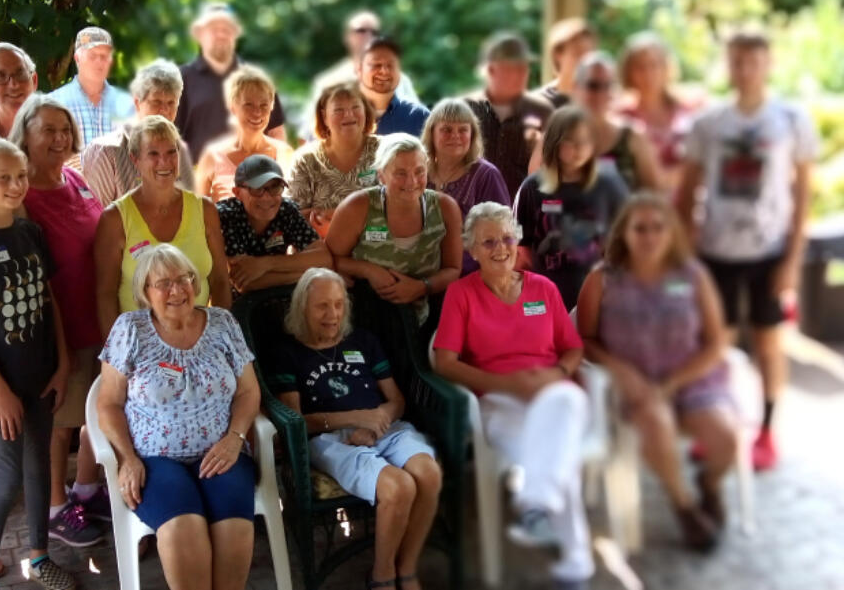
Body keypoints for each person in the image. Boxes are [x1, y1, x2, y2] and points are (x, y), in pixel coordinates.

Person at [676, 30, 818, 471]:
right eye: (737, 61)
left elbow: (804, 195)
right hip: (715, 252)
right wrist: (687, 255)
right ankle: (714, 425)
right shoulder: (709, 123)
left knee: (768, 342)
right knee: (714, 344)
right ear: (728, 65)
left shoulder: (791, 119)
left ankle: (766, 432)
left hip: (769, 251)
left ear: (768, 64)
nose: (745, 70)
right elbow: (686, 193)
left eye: (753, 61)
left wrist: (793, 259)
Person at [432, 202, 593, 590]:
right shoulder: (461, 294)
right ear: (471, 249)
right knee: (560, 455)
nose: (500, 248)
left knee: (566, 406)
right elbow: (444, 362)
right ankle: (575, 560)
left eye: (506, 238)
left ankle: (535, 506)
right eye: (488, 242)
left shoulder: (544, 288)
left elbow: (573, 348)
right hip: (498, 399)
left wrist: (555, 374)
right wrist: (506, 384)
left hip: (554, 394)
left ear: (517, 240)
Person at [0, 140, 78, 590]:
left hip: (41, 376)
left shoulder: (31, 233)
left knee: (39, 464)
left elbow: (50, 302)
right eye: (4, 178)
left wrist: (62, 364)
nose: (16, 185)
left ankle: (40, 556)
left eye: (20, 176)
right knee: (4, 477)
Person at [576, 192, 736, 552]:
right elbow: (582, 338)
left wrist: (674, 383)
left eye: (658, 228)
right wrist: (618, 368)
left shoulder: (692, 276)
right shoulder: (603, 279)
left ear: (672, 233)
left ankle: (709, 484)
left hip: (691, 378)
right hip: (634, 384)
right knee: (656, 422)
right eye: (640, 228)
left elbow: (715, 343)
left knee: (725, 437)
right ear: (624, 234)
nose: (649, 236)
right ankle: (686, 507)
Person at [96, 244, 262, 590]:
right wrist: (127, 458)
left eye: (185, 278)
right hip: (155, 460)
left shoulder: (223, 323)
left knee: (234, 527)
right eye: (164, 283)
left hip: (222, 453)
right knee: (184, 527)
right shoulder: (130, 329)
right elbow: (108, 403)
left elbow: (249, 392)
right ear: (145, 291)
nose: (177, 289)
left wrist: (235, 439)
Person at [272, 269, 440, 590]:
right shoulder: (288, 352)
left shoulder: (363, 341)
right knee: (398, 487)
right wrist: (357, 418)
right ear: (302, 307)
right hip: (330, 440)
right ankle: (382, 575)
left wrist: (374, 425)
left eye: (338, 304)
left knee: (429, 474)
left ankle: (406, 567)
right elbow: (295, 420)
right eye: (322, 306)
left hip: (384, 427)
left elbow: (396, 401)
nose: (332, 314)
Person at [8, 95, 107, 546]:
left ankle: (85, 489)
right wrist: (56, 346)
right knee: (60, 420)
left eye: (64, 130)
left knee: (97, 411)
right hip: (56, 328)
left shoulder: (76, 179)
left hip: (96, 315)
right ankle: (53, 506)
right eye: (48, 129)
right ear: (24, 135)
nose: (59, 138)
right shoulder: (20, 195)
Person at [93, 116, 232, 338]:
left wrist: (219, 336)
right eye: (153, 154)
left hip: (198, 338)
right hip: (139, 345)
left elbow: (220, 280)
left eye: (171, 152)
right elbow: (105, 295)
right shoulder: (115, 218)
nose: (164, 162)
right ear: (135, 159)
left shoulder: (204, 209)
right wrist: (117, 354)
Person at [326, 134, 463, 329]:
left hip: (419, 321)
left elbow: (453, 269)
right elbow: (328, 260)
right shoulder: (357, 207)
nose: (411, 181)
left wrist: (421, 288)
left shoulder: (445, 207)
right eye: (400, 173)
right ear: (381, 175)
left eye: (419, 172)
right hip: (362, 320)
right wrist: (367, 270)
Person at [513, 106, 629, 311]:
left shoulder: (609, 184)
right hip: (545, 295)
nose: (578, 148)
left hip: (600, 295)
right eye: (570, 141)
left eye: (584, 141)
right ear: (554, 143)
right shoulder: (532, 187)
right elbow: (522, 248)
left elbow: (629, 237)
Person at [175, 3, 286, 160]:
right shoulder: (179, 80)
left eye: (226, 29)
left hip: (256, 179)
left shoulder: (258, 80)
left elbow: (276, 132)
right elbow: (169, 135)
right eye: (214, 29)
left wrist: (278, 172)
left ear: (235, 34)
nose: (221, 34)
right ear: (200, 34)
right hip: (197, 178)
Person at [80, 59, 196, 206]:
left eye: (171, 103)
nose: (165, 111)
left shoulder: (180, 150)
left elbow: (191, 206)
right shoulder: (106, 151)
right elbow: (97, 217)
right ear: (137, 103)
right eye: (156, 102)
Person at [216, 155, 330, 294]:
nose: (266, 197)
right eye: (257, 189)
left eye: (274, 187)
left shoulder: (286, 210)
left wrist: (265, 264)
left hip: (282, 296)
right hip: (240, 307)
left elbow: (324, 258)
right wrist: (309, 275)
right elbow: (245, 283)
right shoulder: (225, 216)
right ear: (238, 193)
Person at [422, 98, 511, 275]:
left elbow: (501, 232)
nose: (455, 135)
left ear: (473, 135)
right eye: (446, 130)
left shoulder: (486, 175)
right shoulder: (419, 171)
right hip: (422, 271)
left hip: (470, 277)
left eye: (463, 130)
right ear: (432, 133)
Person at [303, 10, 421, 139]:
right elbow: (310, 130)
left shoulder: (400, 80)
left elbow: (418, 122)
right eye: (361, 31)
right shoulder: (329, 82)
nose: (368, 35)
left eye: (374, 32)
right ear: (347, 37)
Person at [465, 32, 555, 197]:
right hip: (472, 213)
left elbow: (553, 169)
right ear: (491, 69)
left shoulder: (543, 112)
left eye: (524, 67)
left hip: (522, 212)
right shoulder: (465, 109)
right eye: (513, 68)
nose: (521, 74)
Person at [288, 82, 381, 237]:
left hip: (375, 245)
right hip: (320, 249)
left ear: (365, 110)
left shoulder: (387, 151)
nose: (349, 115)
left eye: (355, 107)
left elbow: (398, 212)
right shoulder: (305, 159)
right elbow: (291, 218)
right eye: (339, 110)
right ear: (324, 117)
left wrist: (333, 217)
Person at [194, 64, 294, 203]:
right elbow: (198, 211)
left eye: (264, 105)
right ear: (232, 106)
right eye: (248, 104)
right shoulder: (212, 156)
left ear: (272, 106)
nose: (257, 112)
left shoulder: (285, 154)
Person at [617, 32, 699, 193]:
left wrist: (666, 180)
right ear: (628, 71)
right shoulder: (620, 115)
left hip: (686, 200)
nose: (648, 73)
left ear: (667, 68)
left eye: (654, 65)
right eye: (640, 67)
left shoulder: (689, 109)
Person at [573, 52, 662, 192]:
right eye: (593, 85)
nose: (601, 93)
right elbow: (537, 198)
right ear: (576, 87)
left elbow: (655, 195)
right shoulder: (557, 136)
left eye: (607, 85)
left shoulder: (633, 136)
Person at [49, 26, 136, 149]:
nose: (99, 62)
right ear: (77, 59)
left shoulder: (127, 104)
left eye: (104, 56)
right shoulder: (54, 103)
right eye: (92, 56)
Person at [356, 37, 430, 136]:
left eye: (391, 65)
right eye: (376, 64)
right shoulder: (344, 117)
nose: (384, 71)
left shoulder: (419, 117)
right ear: (359, 70)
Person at [534, 19, 596, 111]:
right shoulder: (539, 103)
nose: (584, 61)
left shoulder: (600, 101)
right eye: (578, 53)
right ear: (558, 55)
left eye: (589, 54)